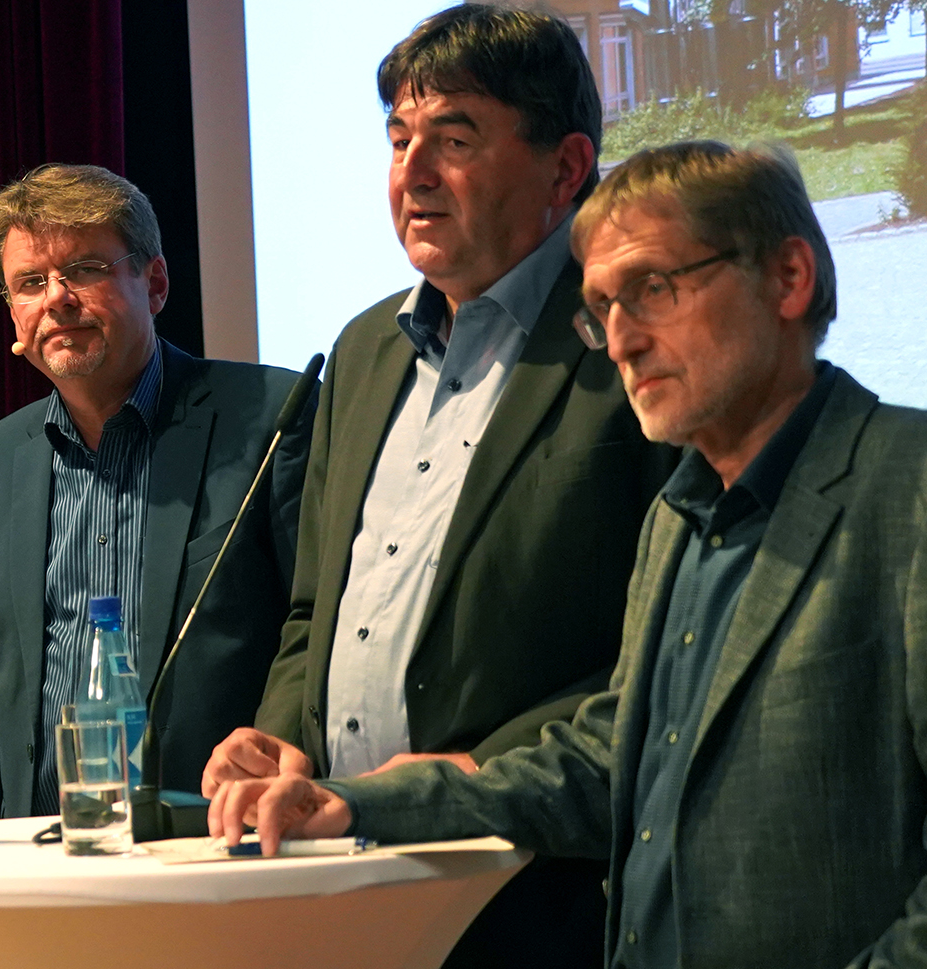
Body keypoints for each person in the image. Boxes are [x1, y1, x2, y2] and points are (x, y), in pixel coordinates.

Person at [215, 140, 927, 969]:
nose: (620, 340)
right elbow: (605, 759)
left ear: (788, 277)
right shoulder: (676, 517)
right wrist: (355, 801)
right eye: (602, 308)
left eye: (653, 290)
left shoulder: (905, 490)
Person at [205, 4, 679, 966]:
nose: (411, 172)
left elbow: (670, 637)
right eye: (397, 138)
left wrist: (471, 775)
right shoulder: (366, 346)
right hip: (347, 879)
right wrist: (285, 735)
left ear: (566, 165)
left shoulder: (630, 339)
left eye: (453, 137)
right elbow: (313, 611)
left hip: (544, 887)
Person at [0, 163, 313, 814]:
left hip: (219, 843)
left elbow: (313, 625)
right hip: (37, 858)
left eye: (86, 268)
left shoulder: (271, 417)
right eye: (30, 281)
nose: (57, 297)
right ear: (13, 313)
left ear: (155, 282)